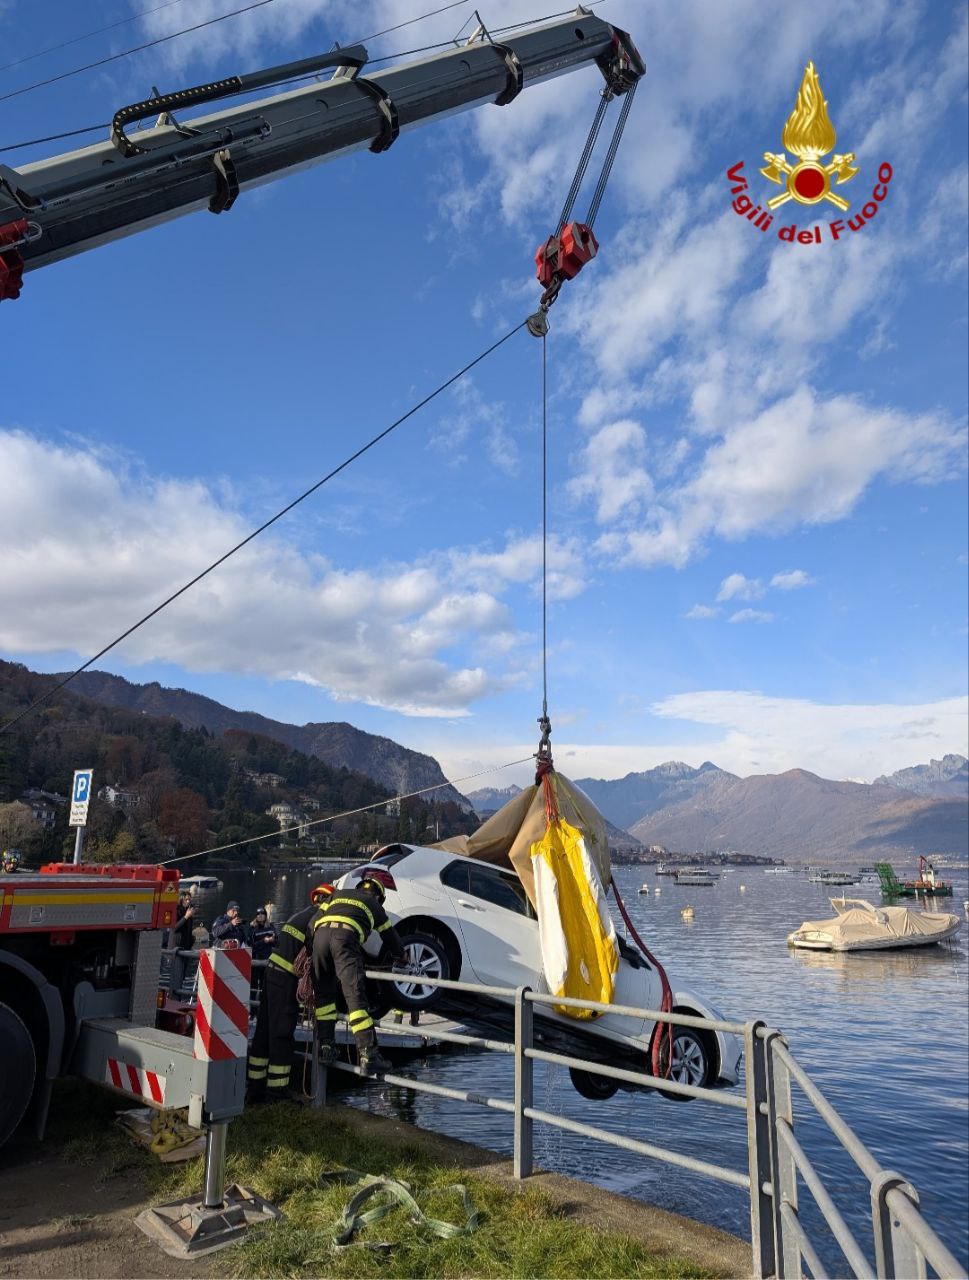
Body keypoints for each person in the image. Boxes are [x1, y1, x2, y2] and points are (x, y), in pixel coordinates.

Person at [247, 884, 334, 1103]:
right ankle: (276, 1093)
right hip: (285, 980)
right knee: (281, 1035)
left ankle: (255, 1089)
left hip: (271, 974)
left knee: (263, 1033)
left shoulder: (302, 914)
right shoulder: (320, 919)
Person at [312, 871, 405, 1074]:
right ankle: (369, 1055)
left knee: (324, 997)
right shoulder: (374, 906)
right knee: (355, 999)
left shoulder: (337, 894)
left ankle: (325, 1048)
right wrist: (402, 957)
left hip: (319, 939)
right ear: (379, 896)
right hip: (344, 939)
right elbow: (391, 937)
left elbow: (313, 923)